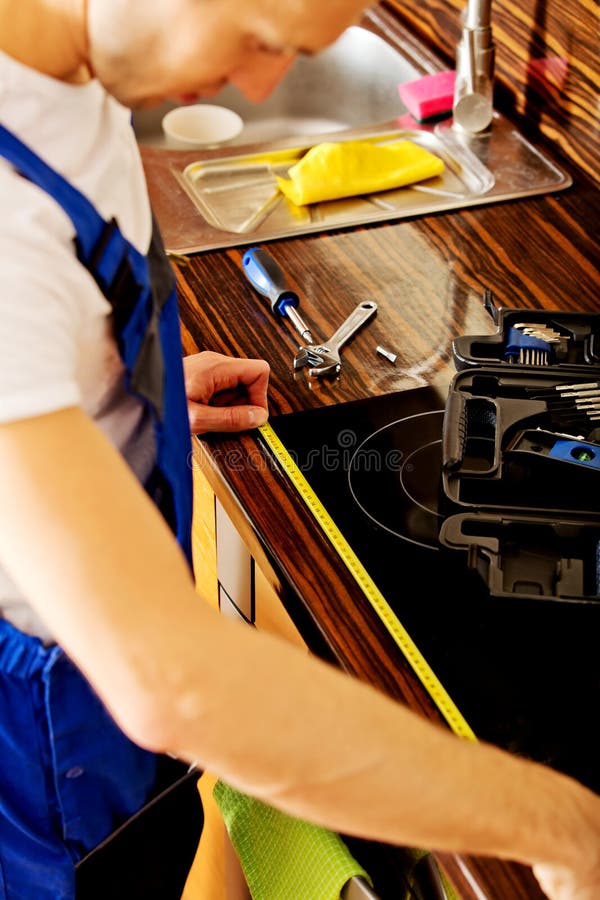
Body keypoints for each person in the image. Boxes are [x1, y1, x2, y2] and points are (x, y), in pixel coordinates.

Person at [0, 1, 599, 898]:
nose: (261, 81)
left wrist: (109, 400)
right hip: (41, 747)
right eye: (262, 36)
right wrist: (565, 826)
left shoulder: (66, 70)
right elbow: (173, 684)